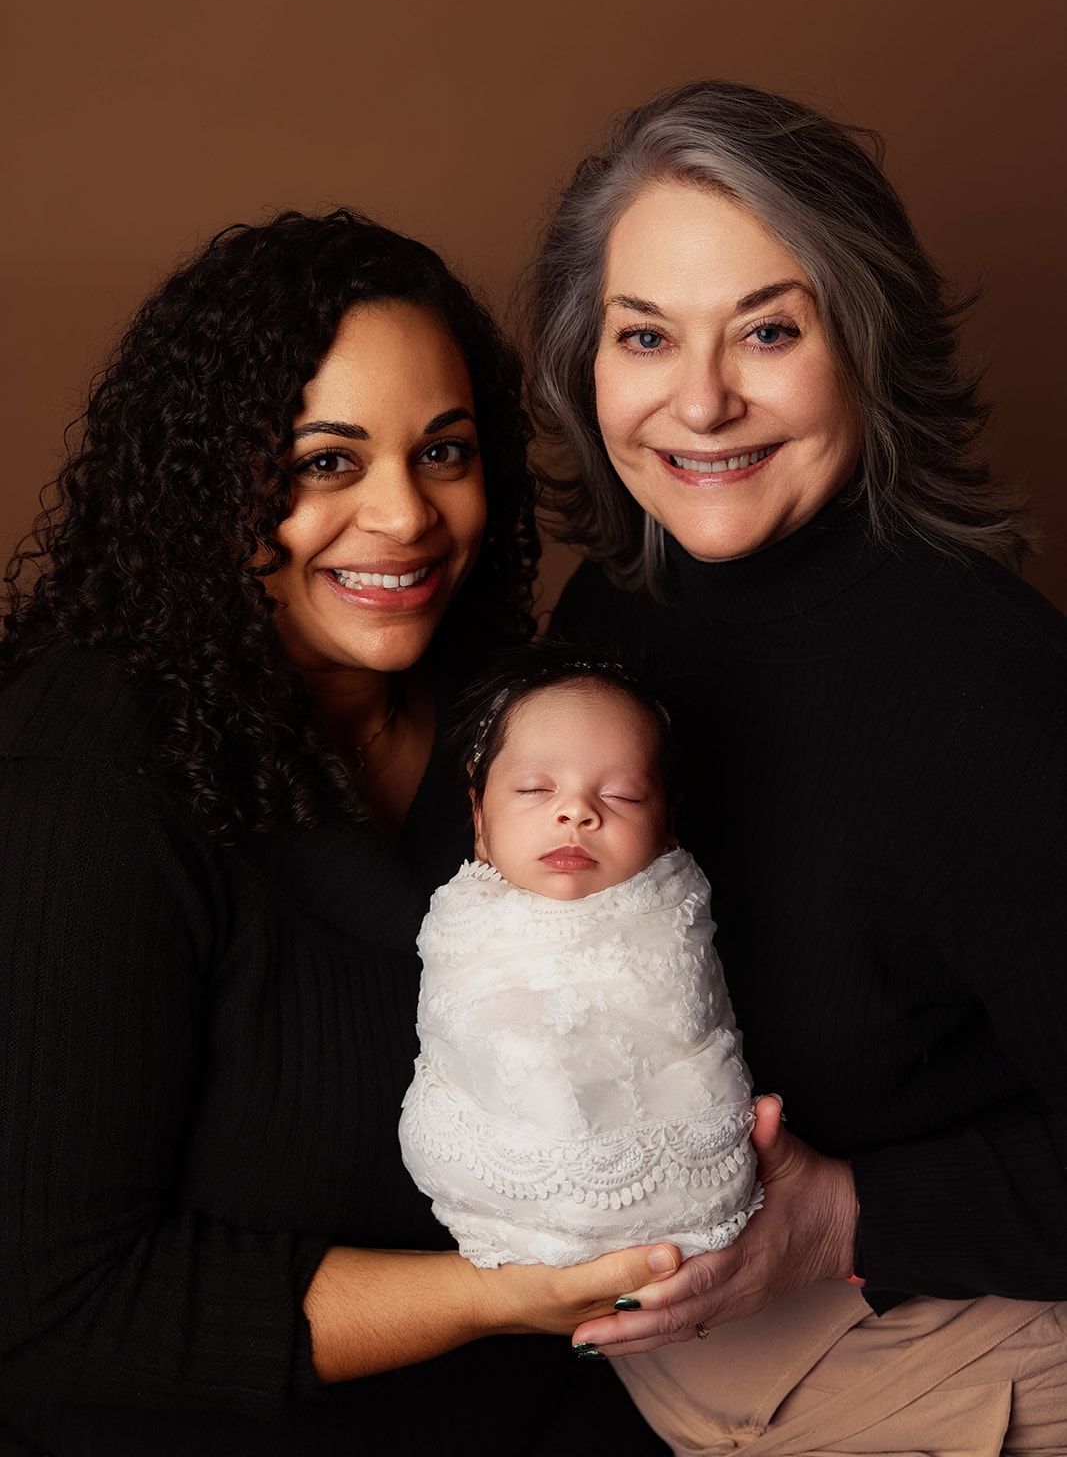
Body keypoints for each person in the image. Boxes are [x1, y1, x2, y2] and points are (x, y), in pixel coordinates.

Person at [0, 209, 677, 1456]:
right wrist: (497, 1299)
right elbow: (47, 1311)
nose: (404, 518)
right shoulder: (85, 778)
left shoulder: (512, 722)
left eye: (443, 451)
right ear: (208, 478)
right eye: (326, 461)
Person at [527, 82, 1067, 1453]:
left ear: (865, 346)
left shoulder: (985, 689)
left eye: (768, 331)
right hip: (673, 1349)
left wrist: (844, 1214)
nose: (699, 402)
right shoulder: (611, 610)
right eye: (646, 335)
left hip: (939, 1348)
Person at [399, 648, 760, 1272]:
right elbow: (455, 1042)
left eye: (621, 796)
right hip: (490, 1197)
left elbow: (690, 1035)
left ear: (668, 825)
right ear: (479, 816)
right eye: (537, 790)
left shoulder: (671, 913)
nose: (576, 812)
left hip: (676, 1202)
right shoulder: (463, 919)